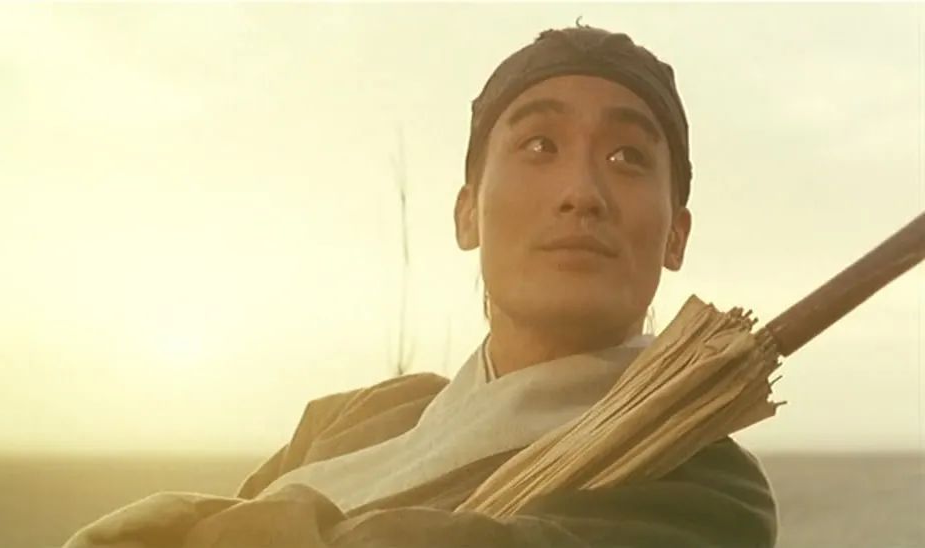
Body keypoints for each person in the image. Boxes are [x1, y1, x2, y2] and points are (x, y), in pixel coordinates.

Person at [64, 24, 778, 548]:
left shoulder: (702, 481)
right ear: (467, 214)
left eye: (627, 157)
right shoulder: (353, 421)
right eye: (539, 145)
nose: (582, 192)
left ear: (676, 234)